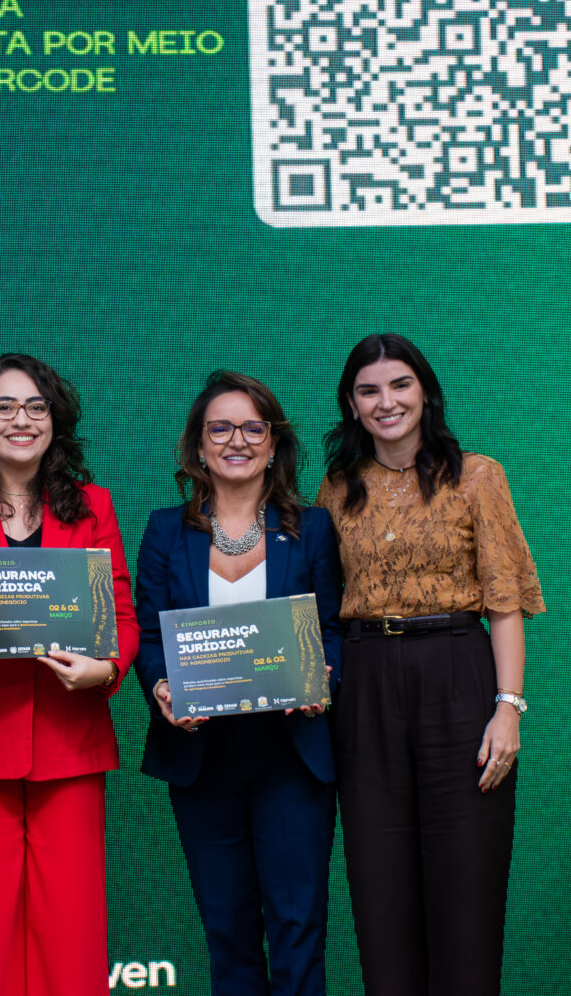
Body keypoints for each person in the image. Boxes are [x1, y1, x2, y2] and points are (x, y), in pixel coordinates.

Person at [315, 333, 544, 996]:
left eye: (400, 385)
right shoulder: (337, 489)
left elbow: (504, 602)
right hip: (365, 686)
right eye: (368, 390)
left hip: (457, 676)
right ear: (352, 405)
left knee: (466, 899)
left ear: (425, 392)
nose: (386, 402)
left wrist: (508, 709)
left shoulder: (478, 476)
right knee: (380, 897)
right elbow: (318, 605)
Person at [0, 353, 140, 996]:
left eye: (36, 407)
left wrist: (106, 668)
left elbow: (122, 615)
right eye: (5, 407)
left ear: (54, 420)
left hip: (71, 743)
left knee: (71, 932)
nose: (21, 420)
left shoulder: (93, 507)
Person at [133, 371, 343, 996]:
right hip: (202, 756)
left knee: (298, 929)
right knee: (227, 934)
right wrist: (162, 685)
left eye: (254, 428)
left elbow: (333, 627)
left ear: (273, 445)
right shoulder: (165, 530)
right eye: (220, 428)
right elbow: (148, 634)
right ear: (199, 446)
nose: (237, 440)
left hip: (293, 755)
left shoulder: (313, 528)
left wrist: (324, 674)